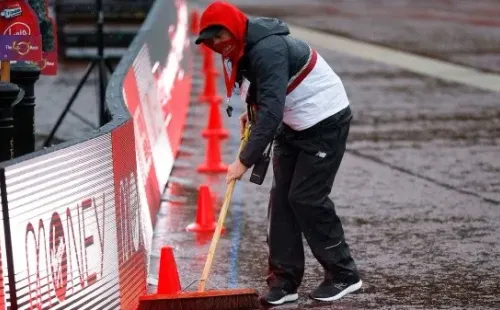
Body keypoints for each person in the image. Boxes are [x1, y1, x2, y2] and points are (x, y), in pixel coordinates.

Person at [195, 1, 362, 306]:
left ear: (233, 29)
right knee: (281, 200)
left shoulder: (268, 49)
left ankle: (344, 275)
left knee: (306, 197)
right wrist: (252, 112)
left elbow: (273, 108)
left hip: (325, 119)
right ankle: (284, 282)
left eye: (219, 36)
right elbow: (262, 96)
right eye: (209, 40)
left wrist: (244, 161)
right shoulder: (237, 51)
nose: (215, 44)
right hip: (293, 122)